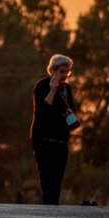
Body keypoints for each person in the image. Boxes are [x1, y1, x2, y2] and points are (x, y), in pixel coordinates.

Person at [29, 54, 78, 205]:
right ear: (53, 71)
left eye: (67, 72)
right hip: (43, 139)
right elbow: (42, 110)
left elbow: (72, 108)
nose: (65, 75)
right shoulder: (42, 86)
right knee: (46, 176)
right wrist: (52, 90)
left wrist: (69, 113)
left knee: (58, 176)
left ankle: (54, 206)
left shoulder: (67, 89)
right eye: (62, 71)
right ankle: (48, 206)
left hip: (61, 139)